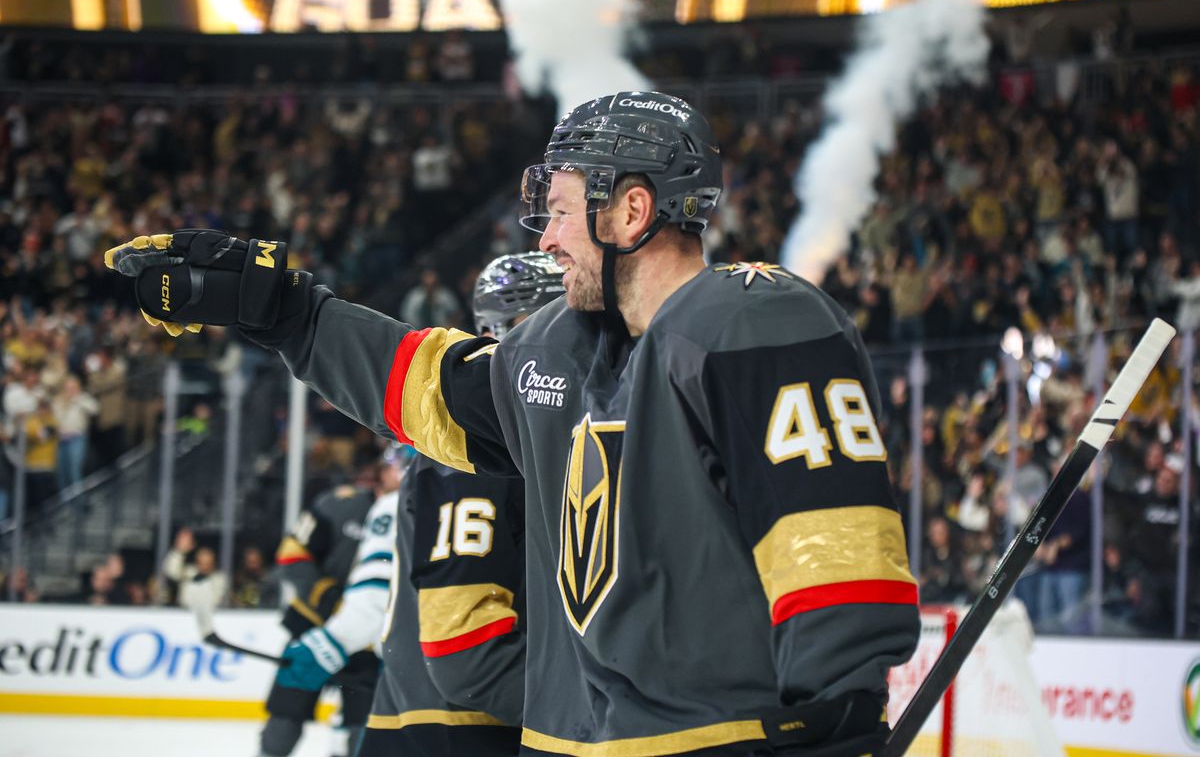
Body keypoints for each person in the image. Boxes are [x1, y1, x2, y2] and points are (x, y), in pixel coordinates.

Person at [106, 91, 920, 757]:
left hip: (711, 744)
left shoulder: (751, 319)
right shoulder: (556, 352)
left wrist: (838, 717)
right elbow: (422, 385)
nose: (549, 238)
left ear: (632, 210)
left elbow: (834, 544)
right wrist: (285, 313)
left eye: (563, 212)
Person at [359, 251, 563, 757]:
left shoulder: (519, 433)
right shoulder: (482, 445)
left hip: (428, 723)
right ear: (516, 330)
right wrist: (585, 709)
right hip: (458, 732)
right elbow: (467, 657)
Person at [271, 445, 406, 757]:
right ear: (380, 472)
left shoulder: (414, 509)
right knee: (286, 717)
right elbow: (291, 555)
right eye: (390, 466)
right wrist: (325, 595)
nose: (395, 472)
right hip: (316, 624)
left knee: (362, 726)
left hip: (373, 641)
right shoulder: (338, 505)